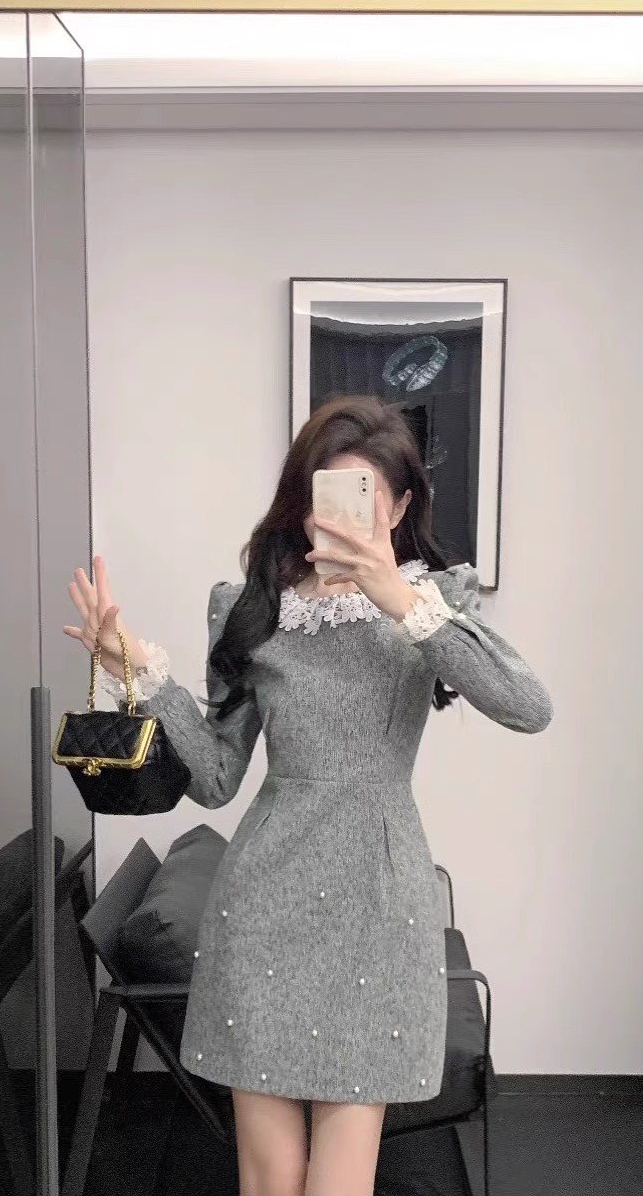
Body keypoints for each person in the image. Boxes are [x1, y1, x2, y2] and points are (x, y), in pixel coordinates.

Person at [64, 396, 552, 1196]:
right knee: (270, 1180)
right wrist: (140, 674)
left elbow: (528, 706)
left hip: (378, 910)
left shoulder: (431, 603)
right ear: (301, 500)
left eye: (364, 498)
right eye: (325, 495)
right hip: (263, 907)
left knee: (339, 1182)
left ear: (399, 506)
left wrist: (401, 601)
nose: (340, 519)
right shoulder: (254, 609)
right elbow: (216, 777)